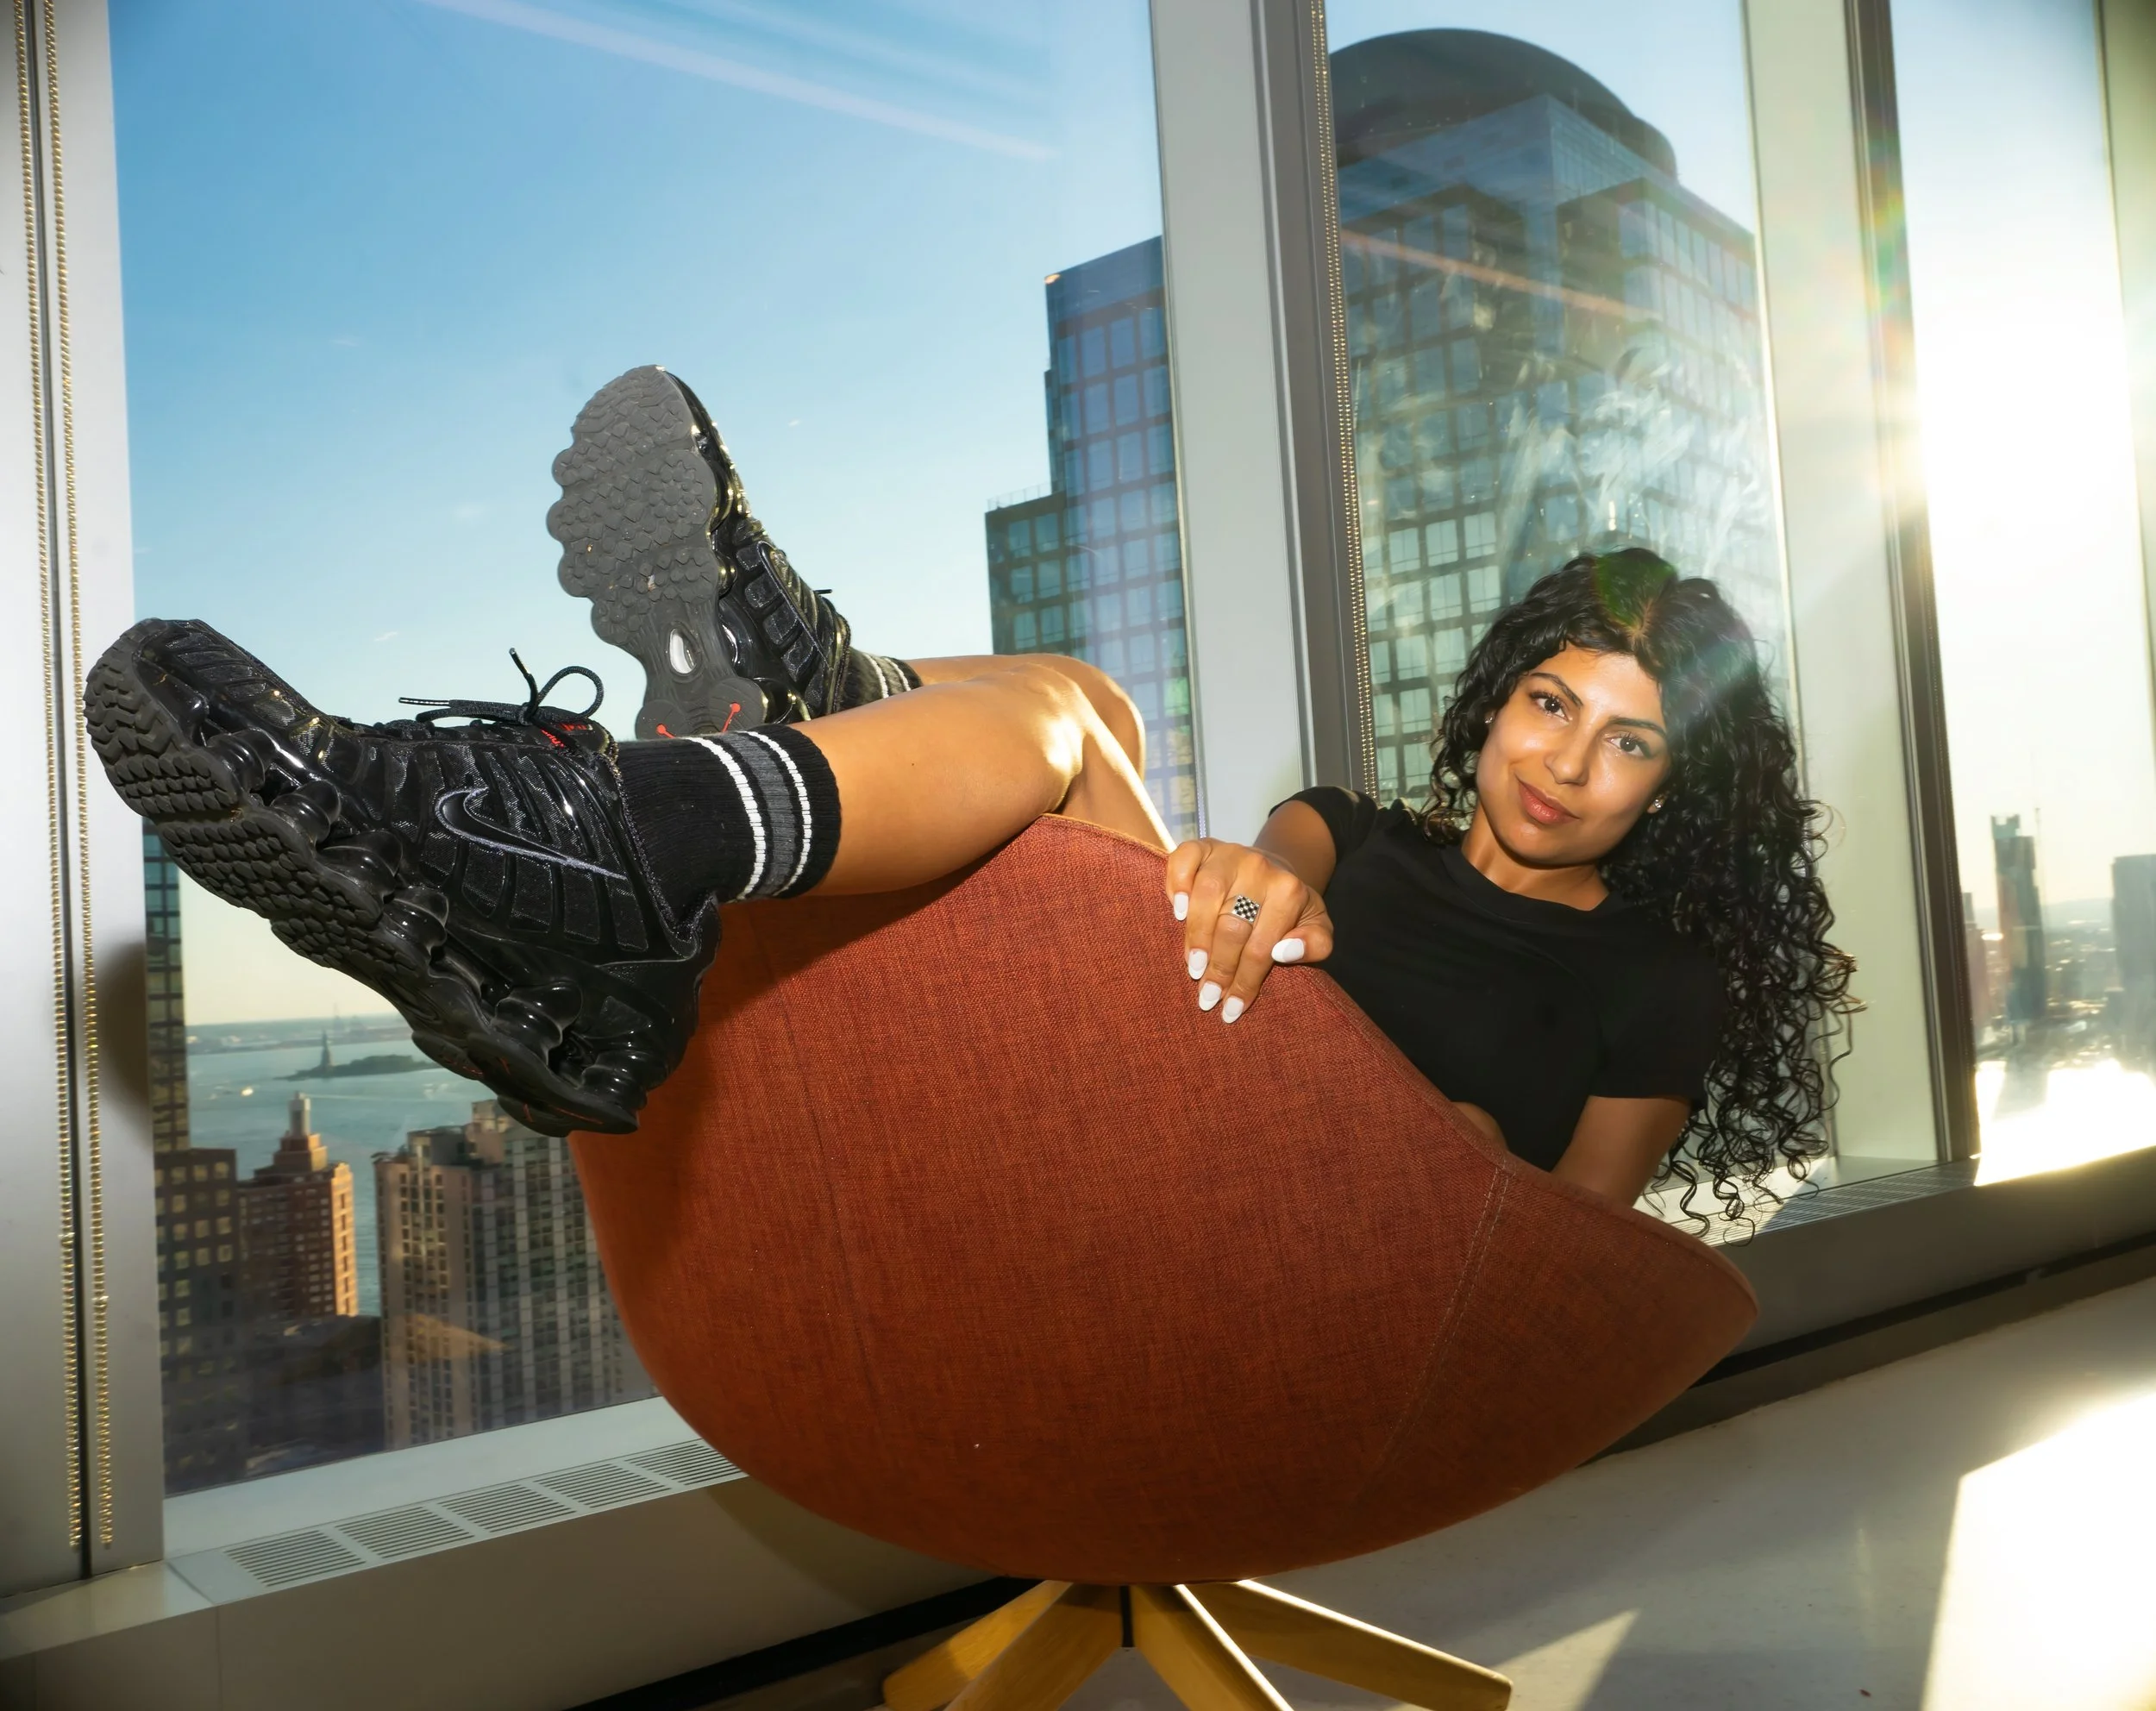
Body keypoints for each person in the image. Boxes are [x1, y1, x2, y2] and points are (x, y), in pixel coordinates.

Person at [89, 366, 1852, 1220]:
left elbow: (1576, 1239)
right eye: (1548, 701)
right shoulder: (1352, 829)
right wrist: (1250, 879)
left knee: (1076, 737)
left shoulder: (1651, 975)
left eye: (1629, 740)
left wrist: (1452, 1143)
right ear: (1490, 708)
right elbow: (1269, 858)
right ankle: (755, 744)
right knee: (1084, 703)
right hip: (1151, 1091)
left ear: (1671, 791)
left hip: (1330, 1214)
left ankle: (664, 801)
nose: (1564, 759)